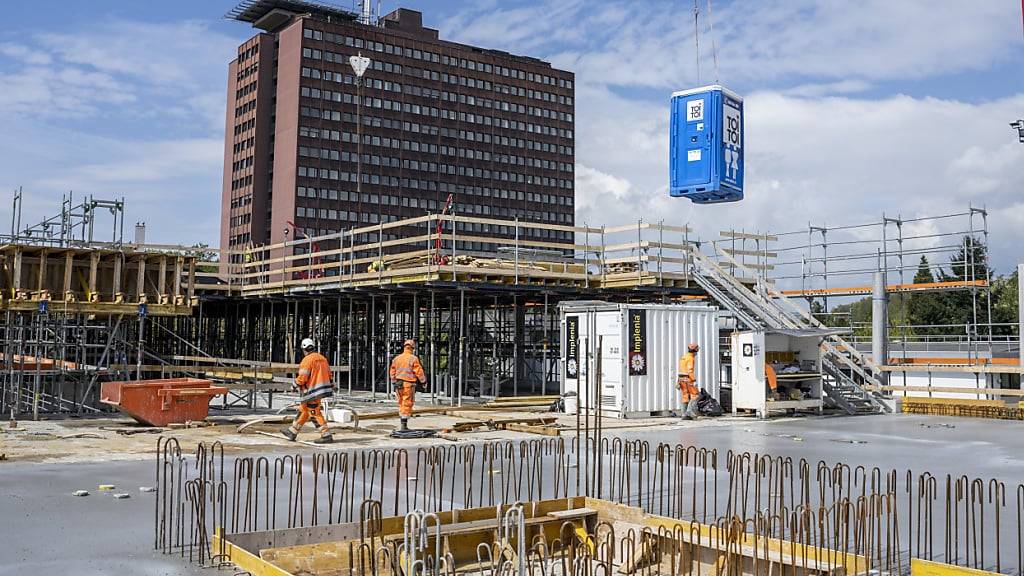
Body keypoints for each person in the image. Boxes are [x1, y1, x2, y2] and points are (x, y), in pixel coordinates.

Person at [281, 338, 334, 444]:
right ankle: (293, 431)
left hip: (312, 391)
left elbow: (302, 377)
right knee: (304, 409)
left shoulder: (307, 360)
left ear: (304, 349)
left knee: (314, 412)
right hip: (321, 390)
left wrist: (294, 385)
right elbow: (329, 374)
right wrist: (331, 384)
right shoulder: (322, 358)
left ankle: (326, 434)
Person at [389, 339, 427, 431]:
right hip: (408, 384)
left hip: (398, 384)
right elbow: (419, 372)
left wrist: (394, 381)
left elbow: (392, 372)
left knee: (401, 402)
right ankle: (404, 425)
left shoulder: (397, 358)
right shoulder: (413, 358)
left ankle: (403, 423)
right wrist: (423, 382)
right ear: (412, 348)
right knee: (407, 403)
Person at [677, 343, 700, 420]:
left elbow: (681, 369)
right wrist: (694, 380)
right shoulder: (690, 358)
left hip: (681, 379)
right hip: (688, 379)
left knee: (685, 396)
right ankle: (689, 411)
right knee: (695, 395)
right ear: (694, 350)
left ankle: (684, 414)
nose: (697, 352)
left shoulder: (684, 357)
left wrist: (678, 381)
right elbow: (690, 370)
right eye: (697, 350)